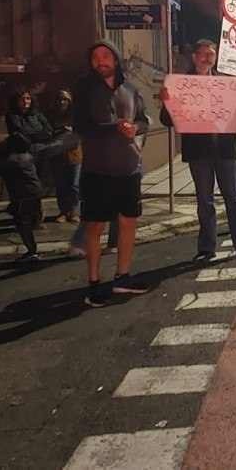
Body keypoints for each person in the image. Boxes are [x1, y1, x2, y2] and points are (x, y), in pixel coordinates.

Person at [158, 39, 236, 262]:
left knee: (234, 199)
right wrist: (166, 102)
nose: (206, 58)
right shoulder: (182, 84)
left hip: (225, 150)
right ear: (194, 57)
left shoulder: (225, 84)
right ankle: (206, 248)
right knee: (205, 200)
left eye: (211, 55)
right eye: (202, 54)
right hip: (199, 152)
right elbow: (167, 120)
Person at [72, 40, 151, 307]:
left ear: (115, 60)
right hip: (97, 168)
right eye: (95, 57)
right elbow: (81, 125)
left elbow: (143, 119)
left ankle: (123, 276)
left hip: (129, 167)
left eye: (106, 55)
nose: (100, 60)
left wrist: (136, 129)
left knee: (129, 221)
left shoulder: (129, 89)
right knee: (95, 226)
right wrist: (116, 127)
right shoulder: (84, 89)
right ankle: (94, 282)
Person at [2, 133, 44, 262]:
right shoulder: (27, 156)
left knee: (23, 224)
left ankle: (32, 252)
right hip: (32, 193)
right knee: (24, 221)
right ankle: (32, 249)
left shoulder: (14, 160)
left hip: (24, 195)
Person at [48, 89, 81, 222]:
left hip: (74, 154)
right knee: (61, 185)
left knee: (74, 184)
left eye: (65, 99)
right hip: (57, 154)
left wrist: (72, 130)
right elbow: (46, 131)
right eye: (60, 99)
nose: (62, 102)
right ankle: (63, 211)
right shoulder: (51, 115)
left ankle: (74, 211)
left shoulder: (76, 115)